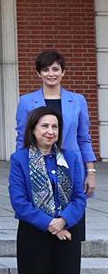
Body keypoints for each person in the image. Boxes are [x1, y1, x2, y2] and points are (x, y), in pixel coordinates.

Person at [9, 107, 87, 274]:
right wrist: (50, 224)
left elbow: (79, 198)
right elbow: (19, 203)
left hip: (67, 233)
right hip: (34, 235)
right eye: (44, 126)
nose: (50, 132)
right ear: (33, 129)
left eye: (54, 127)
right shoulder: (20, 160)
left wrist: (63, 221)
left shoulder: (71, 158)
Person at [15, 50, 97, 198]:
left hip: (72, 167)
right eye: (45, 70)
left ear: (63, 72)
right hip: (38, 168)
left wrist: (90, 172)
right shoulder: (26, 101)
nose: (51, 74)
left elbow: (84, 139)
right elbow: (22, 138)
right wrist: (20, 170)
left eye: (55, 69)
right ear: (39, 73)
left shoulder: (78, 101)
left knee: (73, 216)